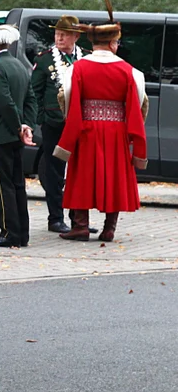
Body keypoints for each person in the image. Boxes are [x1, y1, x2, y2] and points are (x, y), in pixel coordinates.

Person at [54, 20, 148, 242]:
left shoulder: (77, 68)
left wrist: (71, 130)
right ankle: (109, 228)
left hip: (86, 129)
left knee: (82, 176)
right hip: (116, 132)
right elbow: (139, 104)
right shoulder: (130, 71)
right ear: (114, 43)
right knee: (113, 176)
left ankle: (80, 226)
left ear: (92, 42)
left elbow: (66, 99)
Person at [0, 24, 36, 248]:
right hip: (14, 136)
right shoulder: (20, 66)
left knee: (2, 185)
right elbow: (30, 100)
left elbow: (5, 103)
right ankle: (22, 232)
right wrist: (26, 125)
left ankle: (8, 231)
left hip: (0, 134)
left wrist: (17, 127)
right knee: (17, 184)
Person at [31, 15, 86, 233]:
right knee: (54, 171)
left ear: (75, 36)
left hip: (79, 125)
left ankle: (78, 219)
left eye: (64, 34)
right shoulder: (45, 59)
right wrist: (43, 118)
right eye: (57, 33)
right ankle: (55, 218)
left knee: (77, 170)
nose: (59, 37)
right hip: (54, 124)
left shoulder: (85, 58)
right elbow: (34, 93)